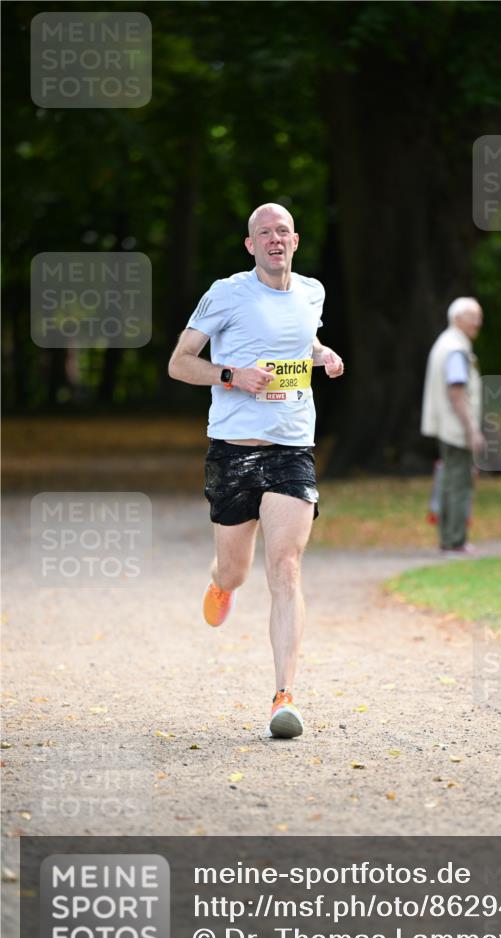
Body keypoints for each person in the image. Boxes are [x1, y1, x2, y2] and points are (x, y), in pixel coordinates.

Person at [168, 203, 344, 738]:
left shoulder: (312, 292)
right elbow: (180, 362)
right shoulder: (227, 293)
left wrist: (323, 355)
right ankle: (221, 584)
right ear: (250, 245)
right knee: (236, 570)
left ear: (296, 240)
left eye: (283, 231)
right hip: (233, 451)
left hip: (292, 448)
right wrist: (230, 375)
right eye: (264, 232)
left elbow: (303, 344)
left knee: (286, 566)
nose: (274, 239)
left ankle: (284, 697)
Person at [421, 297, 484, 555]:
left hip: (445, 424)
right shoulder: (456, 348)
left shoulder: (443, 343)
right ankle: (455, 540)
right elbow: (456, 391)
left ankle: (448, 538)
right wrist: (472, 429)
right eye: (473, 318)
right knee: (459, 482)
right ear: (458, 318)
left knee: (449, 480)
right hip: (455, 427)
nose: (478, 324)